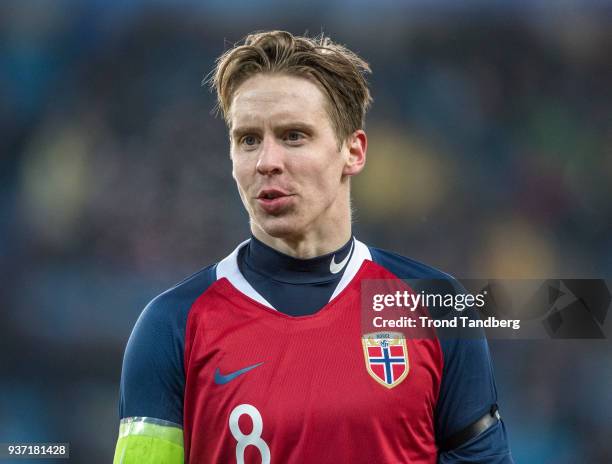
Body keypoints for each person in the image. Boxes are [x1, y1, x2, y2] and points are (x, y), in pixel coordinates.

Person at [113, 30, 513, 463]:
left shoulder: (433, 304)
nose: (266, 161)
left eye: (293, 136)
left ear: (353, 152)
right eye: (248, 139)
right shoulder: (172, 326)